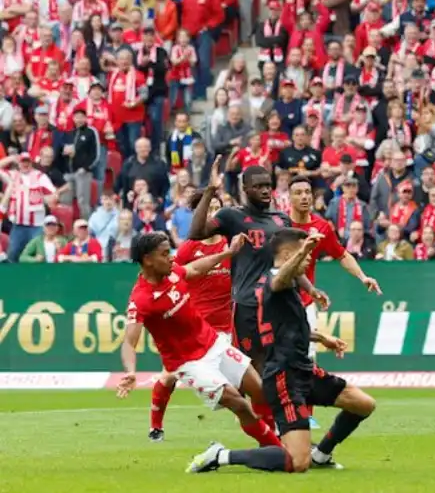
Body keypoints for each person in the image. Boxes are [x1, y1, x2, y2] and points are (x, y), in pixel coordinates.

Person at [185, 228, 376, 474]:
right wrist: (304, 250)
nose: (308, 259)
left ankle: (321, 454)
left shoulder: (285, 284)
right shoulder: (274, 280)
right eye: (304, 254)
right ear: (287, 255)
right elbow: (280, 279)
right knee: (297, 462)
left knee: (363, 404)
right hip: (285, 378)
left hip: (303, 369)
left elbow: (287, 326)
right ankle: (221, 455)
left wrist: (321, 338)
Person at [116, 232, 282, 453]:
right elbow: (129, 342)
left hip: (213, 342)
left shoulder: (173, 272)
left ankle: (273, 444)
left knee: (259, 390)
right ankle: (277, 450)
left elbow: (195, 269)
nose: (172, 258)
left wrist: (228, 253)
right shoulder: (141, 300)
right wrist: (130, 371)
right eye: (165, 254)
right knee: (239, 403)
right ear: (148, 260)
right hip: (189, 363)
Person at [188, 161, 329, 373]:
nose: (265, 190)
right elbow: (196, 232)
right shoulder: (231, 216)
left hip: (278, 303)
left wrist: (311, 289)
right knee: (253, 369)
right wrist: (210, 190)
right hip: (248, 306)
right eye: (258, 186)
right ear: (245, 189)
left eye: (267, 185)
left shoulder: (282, 220)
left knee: (285, 365)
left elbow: (290, 264)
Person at [288, 175, 382, 427]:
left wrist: (362, 276)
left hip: (304, 303)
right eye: (298, 192)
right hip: (277, 301)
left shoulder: (321, 227)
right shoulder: (279, 225)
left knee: (307, 358)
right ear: (289, 197)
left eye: (307, 192)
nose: (304, 197)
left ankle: (304, 415)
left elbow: (341, 255)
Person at [146, 192, 237, 442]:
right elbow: (169, 276)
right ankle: (156, 426)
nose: (214, 213)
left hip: (227, 325)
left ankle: (263, 423)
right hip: (193, 326)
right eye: (209, 208)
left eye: (218, 208)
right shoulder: (189, 248)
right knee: (170, 375)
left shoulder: (231, 244)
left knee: (243, 377)